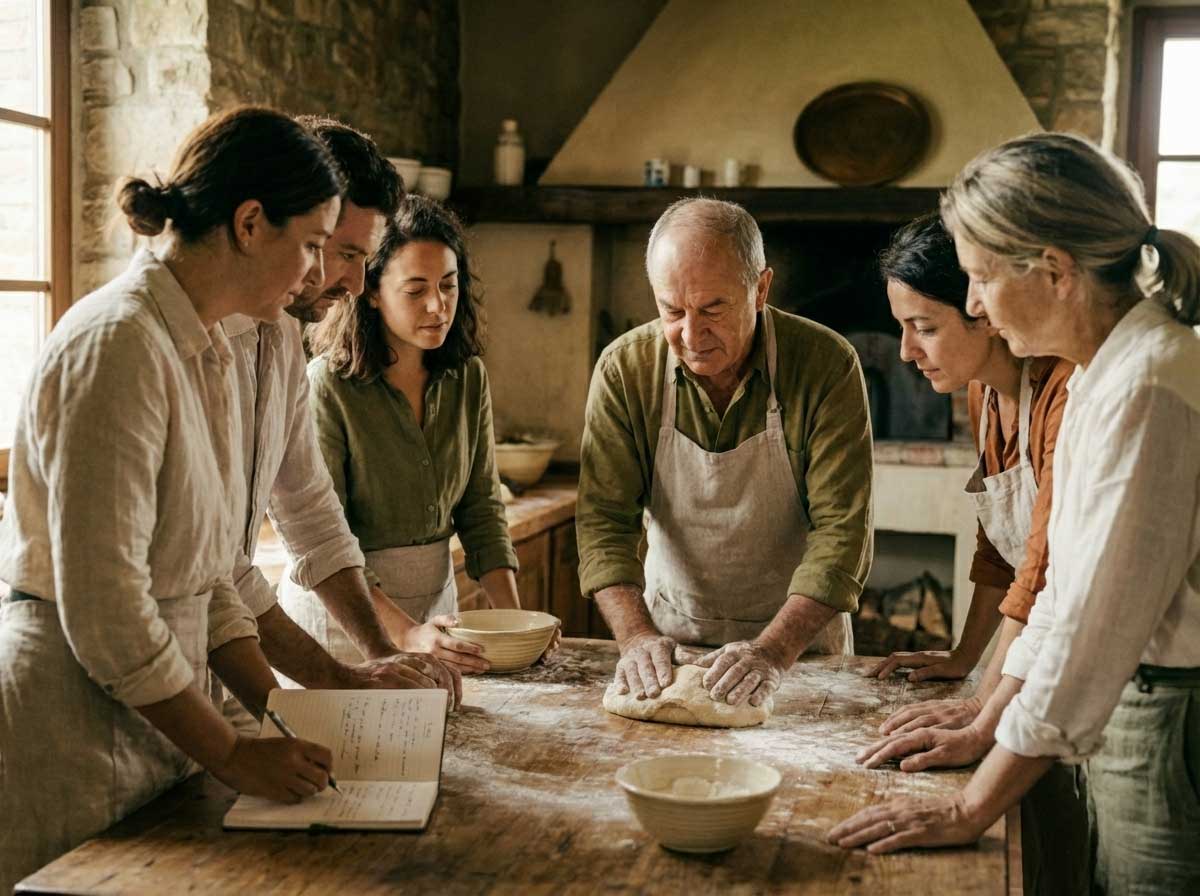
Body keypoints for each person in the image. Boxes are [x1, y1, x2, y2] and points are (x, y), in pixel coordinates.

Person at [830, 133, 1200, 895]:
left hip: (1170, 718)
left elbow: (1092, 633)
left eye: (980, 279)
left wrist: (973, 806)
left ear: (1057, 272)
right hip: (1138, 705)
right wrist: (981, 720)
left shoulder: (1150, 386)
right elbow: (1060, 598)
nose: (973, 305)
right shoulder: (1111, 371)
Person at [0, 106, 342, 891]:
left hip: (156, 723)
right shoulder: (118, 345)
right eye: (313, 244)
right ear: (251, 222)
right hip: (69, 726)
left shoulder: (208, 345)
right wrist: (226, 749)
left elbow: (210, 573)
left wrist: (280, 715)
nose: (315, 274)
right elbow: (108, 607)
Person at [860, 213, 1085, 896]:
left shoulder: (1065, 394)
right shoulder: (985, 392)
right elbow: (1000, 546)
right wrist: (965, 658)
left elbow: (1043, 572)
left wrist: (984, 709)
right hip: (1037, 653)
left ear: (983, 311)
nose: (904, 352)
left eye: (924, 326)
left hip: (1090, 669)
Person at [577, 197, 872, 709]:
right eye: (672, 311)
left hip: (797, 656)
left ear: (760, 289)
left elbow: (842, 533)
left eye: (713, 309)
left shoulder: (827, 365)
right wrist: (636, 638)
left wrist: (771, 653)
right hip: (671, 648)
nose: (691, 336)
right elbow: (603, 521)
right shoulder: (624, 370)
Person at [219, 116, 464, 714]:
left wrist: (381, 654)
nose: (357, 284)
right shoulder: (160, 345)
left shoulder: (276, 336)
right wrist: (335, 681)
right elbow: (216, 572)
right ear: (255, 224)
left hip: (201, 669)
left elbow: (312, 517)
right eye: (341, 252)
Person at [283, 195, 540, 673]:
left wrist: (517, 625)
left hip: (434, 620)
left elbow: (482, 510)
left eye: (448, 285)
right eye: (415, 289)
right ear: (373, 292)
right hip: (341, 625)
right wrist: (403, 634)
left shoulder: (468, 377)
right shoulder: (328, 386)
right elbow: (325, 538)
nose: (437, 305)